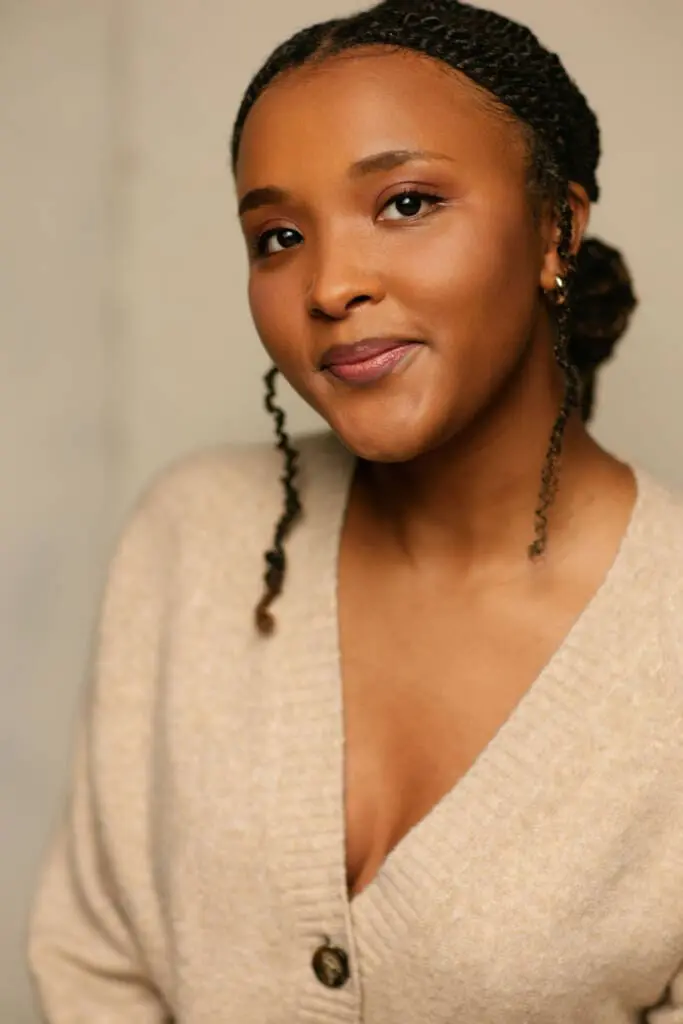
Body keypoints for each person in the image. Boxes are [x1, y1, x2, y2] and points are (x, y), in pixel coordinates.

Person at [27, 1, 683, 1021]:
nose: (329, 285)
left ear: (557, 226)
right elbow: (92, 964)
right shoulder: (194, 538)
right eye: (278, 236)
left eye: (406, 203)